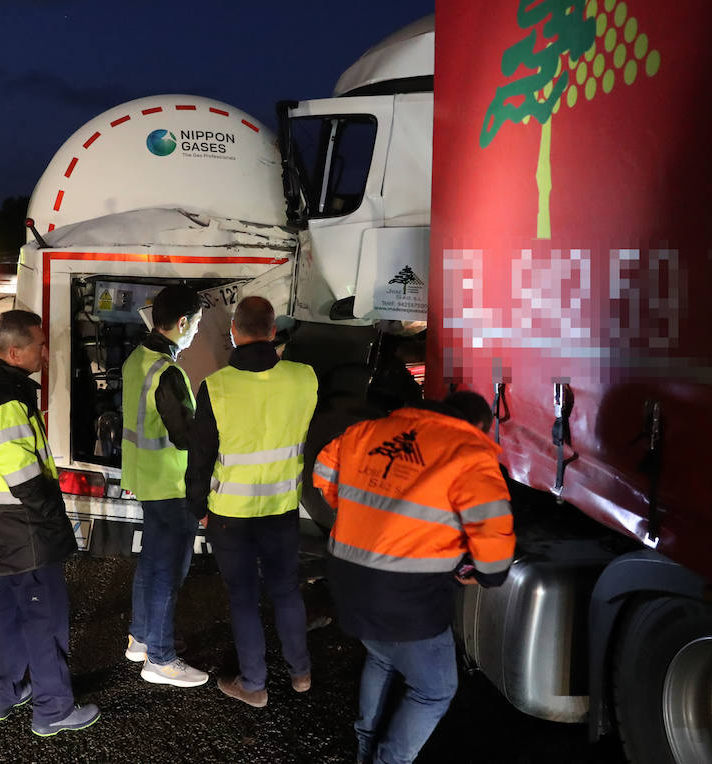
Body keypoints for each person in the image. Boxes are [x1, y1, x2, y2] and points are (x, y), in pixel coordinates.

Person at [313, 390, 515, 764]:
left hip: (346, 573)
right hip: (406, 596)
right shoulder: (468, 454)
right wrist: (487, 574)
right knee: (434, 690)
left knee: (381, 656)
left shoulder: (368, 431)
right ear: (480, 427)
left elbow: (323, 471)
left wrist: (362, 521)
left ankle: (364, 744)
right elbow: (492, 536)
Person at [0, 309, 100, 736]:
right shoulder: (8, 401)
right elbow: (23, 474)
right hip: (24, 525)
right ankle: (52, 709)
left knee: (4, 612)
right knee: (43, 618)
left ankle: (4, 693)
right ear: (15, 351)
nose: (45, 352)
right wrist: (52, 519)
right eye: (39, 345)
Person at [185, 296, 318, 708]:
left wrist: (197, 507)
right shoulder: (304, 378)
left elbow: (201, 455)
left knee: (243, 597)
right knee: (285, 589)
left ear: (233, 333)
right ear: (273, 331)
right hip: (281, 508)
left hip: (231, 516)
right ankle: (301, 674)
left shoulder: (217, 387)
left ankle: (254, 684)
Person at [121, 284, 206, 687]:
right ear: (183, 322)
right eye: (197, 324)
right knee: (168, 573)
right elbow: (185, 433)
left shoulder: (138, 358)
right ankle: (160, 658)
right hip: (172, 485)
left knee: (151, 564)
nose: (196, 333)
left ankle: (140, 638)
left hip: (146, 480)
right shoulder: (167, 371)